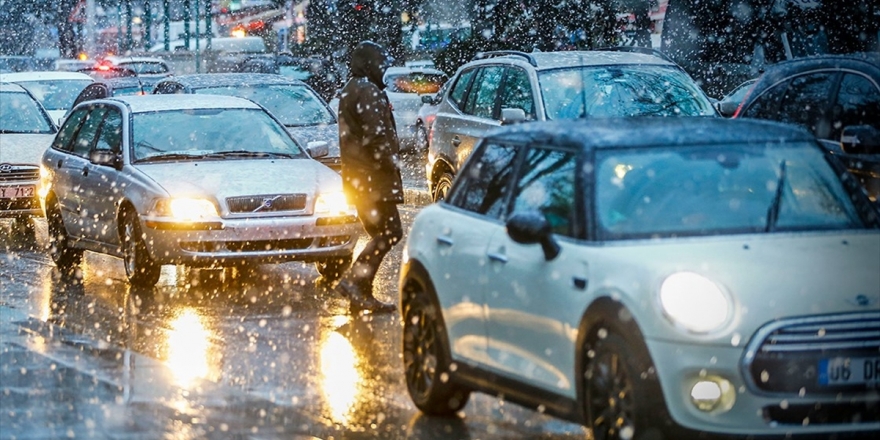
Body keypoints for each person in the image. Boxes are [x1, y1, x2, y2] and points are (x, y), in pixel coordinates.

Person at [333, 41, 404, 314]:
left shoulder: (351, 89)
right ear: (368, 64)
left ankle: (360, 293)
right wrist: (388, 164)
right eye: (379, 62)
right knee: (390, 232)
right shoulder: (368, 91)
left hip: (358, 179)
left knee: (380, 233)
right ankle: (354, 283)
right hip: (373, 179)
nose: (383, 67)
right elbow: (377, 137)